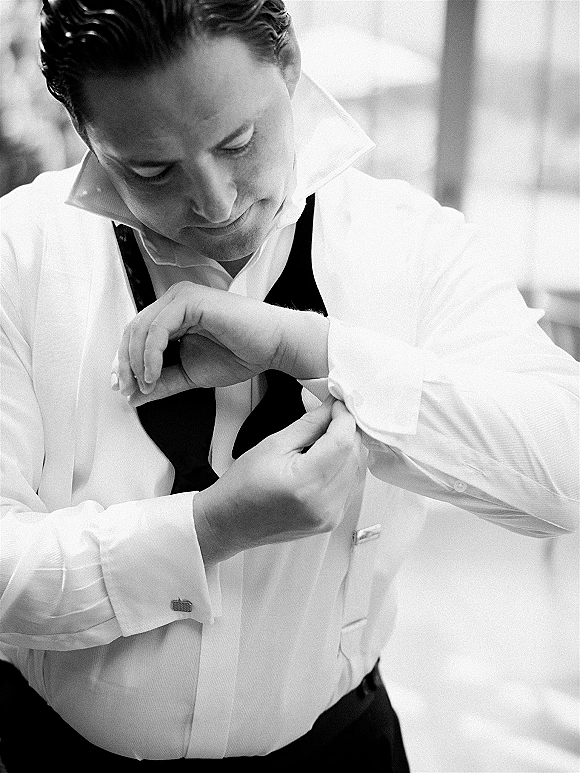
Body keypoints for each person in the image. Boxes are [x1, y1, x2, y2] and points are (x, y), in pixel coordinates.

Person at [0, 0, 577, 768]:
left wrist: (309, 345)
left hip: (342, 749)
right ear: (84, 131)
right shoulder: (18, 253)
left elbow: (563, 473)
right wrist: (205, 529)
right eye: (151, 170)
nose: (216, 202)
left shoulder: (412, 243)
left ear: (291, 63)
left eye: (238, 142)